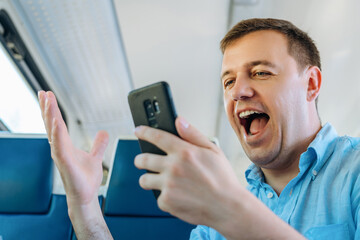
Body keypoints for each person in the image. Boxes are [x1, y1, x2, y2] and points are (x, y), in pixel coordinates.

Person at [37, 18, 360, 239]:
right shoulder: (213, 225)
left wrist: (232, 209)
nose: (238, 92)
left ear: (312, 84)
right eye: (229, 81)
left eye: (261, 73)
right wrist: (84, 206)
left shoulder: (353, 172)